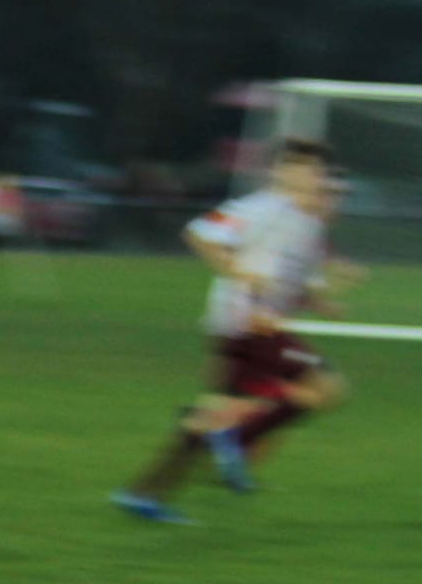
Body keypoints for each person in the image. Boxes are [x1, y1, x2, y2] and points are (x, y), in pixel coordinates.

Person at [113, 140, 354, 521]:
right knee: (324, 387)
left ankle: (144, 494)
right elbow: (200, 233)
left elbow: (295, 288)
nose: (315, 177)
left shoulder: (306, 225)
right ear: (282, 172)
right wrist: (239, 274)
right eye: (306, 168)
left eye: (318, 170)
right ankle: (235, 445)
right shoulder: (262, 209)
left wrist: (328, 300)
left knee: (220, 411)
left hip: (249, 327)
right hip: (245, 325)